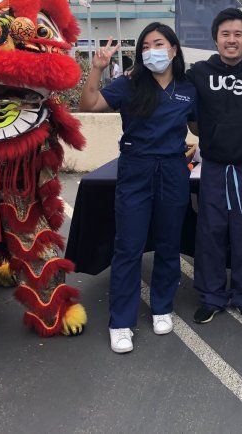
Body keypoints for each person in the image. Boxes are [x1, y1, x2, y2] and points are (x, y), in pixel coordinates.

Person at [79, 23, 197, 354]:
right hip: (136, 169)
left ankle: (162, 306)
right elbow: (90, 105)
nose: (151, 51)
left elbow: (198, 124)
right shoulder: (130, 84)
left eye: (158, 44)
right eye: (145, 46)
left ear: (173, 49)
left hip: (173, 170)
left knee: (168, 242)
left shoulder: (188, 88)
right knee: (129, 246)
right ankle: (121, 321)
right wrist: (96, 70)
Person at [186, 8, 242, 326]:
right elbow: (190, 116)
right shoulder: (198, 72)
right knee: (210, 232)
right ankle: (211, 296)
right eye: (226, 34)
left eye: (238, 34)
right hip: (213, 167)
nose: (232, 40)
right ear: (216, 39)